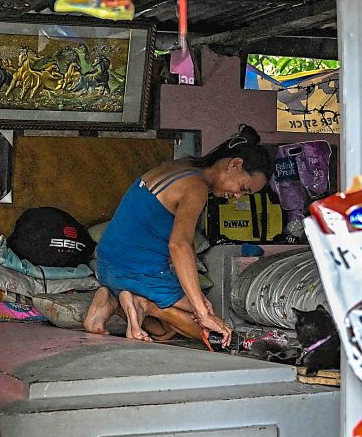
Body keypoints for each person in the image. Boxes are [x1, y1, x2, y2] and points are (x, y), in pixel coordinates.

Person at [84, 125, 274, 342]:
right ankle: (138, 303)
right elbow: (179, 245)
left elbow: (186, 241)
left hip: (107, 263)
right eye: (243, 188)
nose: (238, 196)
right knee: (212, 331)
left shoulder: (181, 167)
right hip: (137, 271)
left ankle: (115, 302)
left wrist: (197, 298)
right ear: (235, 164)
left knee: (164, 331)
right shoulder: (196, 187)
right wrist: (202, 312)